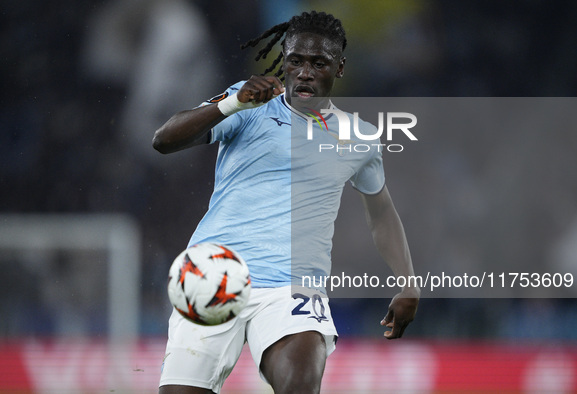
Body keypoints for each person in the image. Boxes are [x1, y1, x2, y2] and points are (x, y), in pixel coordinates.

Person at [153, 11, 420, 394]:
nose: (305, 72)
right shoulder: (249, 104)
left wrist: (408, 283)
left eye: (319, 63)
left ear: (339, 67)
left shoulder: (359, 138)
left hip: (293, 287)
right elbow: (163, 140)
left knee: (300, 383)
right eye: (296, 61)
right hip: (213, 271)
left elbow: (382, 215)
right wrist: (232, 104)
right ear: (284, 59)